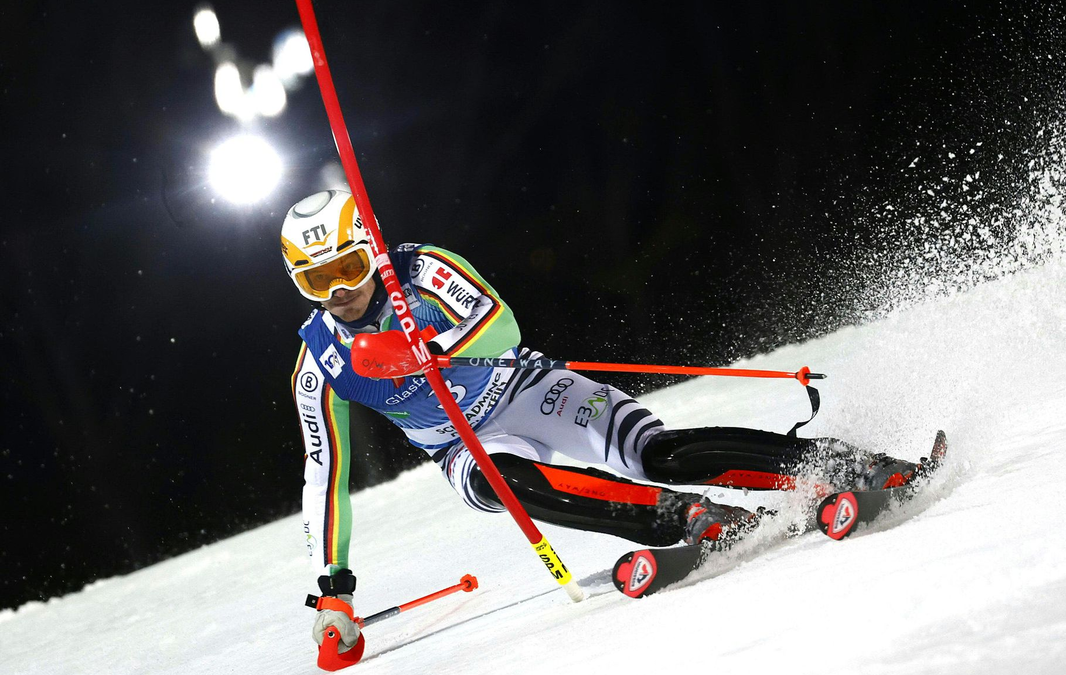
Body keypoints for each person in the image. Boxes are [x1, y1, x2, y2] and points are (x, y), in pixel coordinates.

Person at [282, 190, 924, 653]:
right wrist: (333, 588)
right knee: (503, 484)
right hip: (465, 445)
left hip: (525, 387)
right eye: (318, 280)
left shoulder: (419, 272)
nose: (340, 290)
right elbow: (325, 474)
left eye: (347, 268)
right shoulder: (320, 361)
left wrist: (431, 350)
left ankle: (842, 465)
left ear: (368, 251)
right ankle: (686, 517)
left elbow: (502, 323)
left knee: (657, 452)